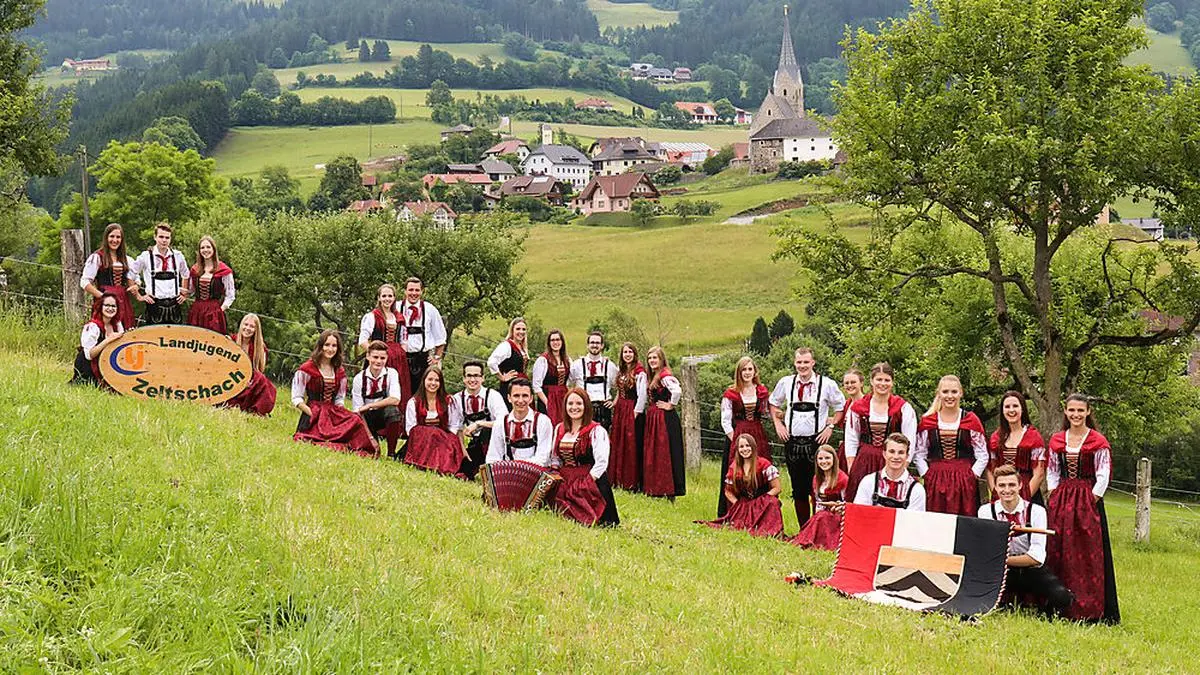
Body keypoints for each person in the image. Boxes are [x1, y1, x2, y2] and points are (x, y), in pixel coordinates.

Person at [1046, 394, 1120, 624]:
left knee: (1088, 554)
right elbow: (1052, 470)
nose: (1076, 415)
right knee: (1059, 550)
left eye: (1080, 410)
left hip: (1088, 501)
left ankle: (1088, 608)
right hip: (1062, 500)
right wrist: (1055, 493)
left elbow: (1103, 473)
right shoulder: (1058, 440)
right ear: (1065, 412)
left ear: (1088, 412)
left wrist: (1091, 499)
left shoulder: (1097, 441)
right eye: (1072, 410)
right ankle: (1057, 604)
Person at [978, 465, 1074, 616]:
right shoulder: (985, 511)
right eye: (1002, 485)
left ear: (1020, 485)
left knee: (1061, 597)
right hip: (999, 571)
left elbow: (1036, 557)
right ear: (994, 487)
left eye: (1011, 485)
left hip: (1030, 570)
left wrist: (1001, 559)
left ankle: (1042, 612)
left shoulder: (1036, 511)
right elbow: (986, 550)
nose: (1007, 490)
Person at [768, 347, 846, 528]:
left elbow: (840, 407)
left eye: (806, 362)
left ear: (813, 363)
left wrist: (831, 426)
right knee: (798, 489)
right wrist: (778, 424)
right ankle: (803, 529)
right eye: (799, 362)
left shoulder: (827, 384)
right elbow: (773, 402)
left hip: (816, 443)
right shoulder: (787, 382)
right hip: (792, 442)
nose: (802, 366)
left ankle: (816, 527)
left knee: (817, 488)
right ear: (795, 363)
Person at [292, 330, 379, 457]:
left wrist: (340, 417)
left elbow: (339, 400)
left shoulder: (340, 371)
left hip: (332, 411)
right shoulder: (307, 368)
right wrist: (312, 413)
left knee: (355, 419)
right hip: (313, 412)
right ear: (320, 346)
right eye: (327, 345)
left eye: (334, 346)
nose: (330, 349)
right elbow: (296, 398)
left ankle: (364, 445)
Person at [912, 375, 989, 516]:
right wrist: (926, 474)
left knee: (964, 522)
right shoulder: (928, 421)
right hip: (936, 479)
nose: (949, 396)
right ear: (939, 393)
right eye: (945, 391)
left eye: (954, 392)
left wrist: (972, 475)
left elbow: (982, 454)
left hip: (964, 481)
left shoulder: (970, 420)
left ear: (961, 393)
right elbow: (919, 453)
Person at [844, 362, 917, 502]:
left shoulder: (903, 408)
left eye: (887, 380)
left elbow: (910, 441)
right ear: (871, 381)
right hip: (864, 461)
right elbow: (851, 439)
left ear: (892, 382)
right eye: (879, 379)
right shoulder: (858, 407)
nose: (882, 384)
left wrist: (900, 469)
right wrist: (852, 469)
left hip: (891, 460)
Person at [550, 388, 621, 527]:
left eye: (579, 403)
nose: (574, 407)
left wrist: (586, 484)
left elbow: (601, 463)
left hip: (589, 479)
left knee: (598, 522)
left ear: (586, 406)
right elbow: (555, 458)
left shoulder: (596, 430)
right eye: (570, 404)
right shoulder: (559, 428)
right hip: (564, 479)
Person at [698, 434, 784, 538]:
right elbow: (728, 491)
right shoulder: (734, 467)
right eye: (741, 447)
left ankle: (769, 529)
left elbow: (777, 488)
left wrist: (762, 500)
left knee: (773, 502)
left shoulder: (763, 464)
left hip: (763, 501)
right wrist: (738, 504)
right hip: (745, 502)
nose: (745, 449)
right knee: (738, 525)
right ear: (737, 449)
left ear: (753, 447)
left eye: (747, 445)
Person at [717, 356, 771, 517]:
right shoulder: (731, 393)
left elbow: (767, 412)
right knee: (738, 472)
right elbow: (725, 421)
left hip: (757, 434)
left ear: (755, 371)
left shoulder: (761, 391)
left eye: (750, 369)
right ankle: (736, 511)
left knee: (759, 470)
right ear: (738, 373)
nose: (747, 373)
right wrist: (735, 440)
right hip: (739, 433)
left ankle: (761, 511)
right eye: (744, 370)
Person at [357, 284, 412, 413]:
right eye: (384, 296)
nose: (387, 299)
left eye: (390, 296)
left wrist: (401, 354)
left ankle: (397, 423)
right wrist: (374, 355)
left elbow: (404, 340)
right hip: (379, 358)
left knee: (398, 390)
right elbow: (362, 340)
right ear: (379, 298)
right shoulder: (372, 316)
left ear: (394, 298)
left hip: (398, 360)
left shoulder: (399, 317)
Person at [403, 366, 466, 476]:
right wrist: (429, 434)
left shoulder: (449, 401)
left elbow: (454, 425)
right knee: (431, 434)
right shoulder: (413, 402)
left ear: (441, 383)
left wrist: (442, 436)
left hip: (444, 439)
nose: (433, 383)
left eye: (437, 380)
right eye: (430, 379)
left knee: (444, 446)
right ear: (424, 381)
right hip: (421, 441)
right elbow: (410, 428)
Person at [987, 390, 1047, 504]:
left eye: (1015, 406)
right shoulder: (995, 437)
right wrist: (997, 493)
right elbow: (990, 470)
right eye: (1007, 407)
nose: (1011, 410)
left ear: (1022, 409)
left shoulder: (1033, 437)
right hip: (1002, 495)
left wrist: (1022, 500)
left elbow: (1039, 474)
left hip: (1028, 493)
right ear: (1002, 410)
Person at [642, 346, 686, 499]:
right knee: (655, 452)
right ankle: (656, 488)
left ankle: (668, 490)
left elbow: (677, 391)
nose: (652, 361)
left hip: (663, 419)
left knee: (665, 453)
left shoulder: (665, 375)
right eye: (650, 358)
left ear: (661, 360)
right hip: (655, 418)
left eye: (655, 358)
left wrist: (671, 404)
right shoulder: (654, 375)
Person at [351, 340, 404, 459]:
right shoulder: (359, 379)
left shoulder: (391, 373)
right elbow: (358, 413)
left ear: (386, 358)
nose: (378, 361)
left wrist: (370, 406)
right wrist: (370, 438)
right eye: (375, 357)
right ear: (368, 356)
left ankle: (391, 453)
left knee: (393, 412)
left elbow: (395, 399)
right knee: (370, 453)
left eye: (382, 358)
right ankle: (373, 441)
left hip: (382, 415)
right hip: (366, 419)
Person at [456, 360, 508, 479]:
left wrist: (479, 423)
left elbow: (504, 422)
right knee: (462, 471)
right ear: (464, 378)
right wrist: (463, 453)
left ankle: (493, 469)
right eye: (469, 376)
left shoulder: (493, 395)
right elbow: (456, 428)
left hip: (496, 443)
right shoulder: (458, 399)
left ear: (483, 378)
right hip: (475, 444)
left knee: (487, 431)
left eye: (476, 376)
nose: (472, 380)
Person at [790, 445, 849, 550]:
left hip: (838, 516)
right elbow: (817, 501)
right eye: (820, 459)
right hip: (822, 514)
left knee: (822, 517)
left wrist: (835, 507)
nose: (824, 461)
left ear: (834, 459)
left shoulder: (843, 479)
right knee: (820, 517)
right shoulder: (817, 478)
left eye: (827, 458)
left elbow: (848, 502)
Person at [80, 223, 138, 330]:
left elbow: (136, 279)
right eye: (112, 236)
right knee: (104, 330)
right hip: (104, 300)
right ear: (106, 238)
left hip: (122, 300)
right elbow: (84, 282)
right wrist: (102, 297)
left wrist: (136, 286)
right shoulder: (97, 257)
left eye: (118, 237)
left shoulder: (127, 259)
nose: (115, 240)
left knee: (125, 331)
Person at [486, 378, 554, 467]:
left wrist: (518, 467)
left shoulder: (543, 421)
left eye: (525, 396)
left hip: (537, 472)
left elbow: (543, 458)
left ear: (531, 398)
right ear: (509, 398)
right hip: (509, 473)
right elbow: (493, 456)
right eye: (516, 396)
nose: (521, 400)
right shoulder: (500, 423)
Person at [131, 222, 189, 325]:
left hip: (174, 305)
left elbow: (186, 274)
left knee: (174, 339)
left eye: (167, 237)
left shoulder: (178, 256)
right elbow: (130, 273)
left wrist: (184, 294)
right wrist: (139, 296)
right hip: (154, 305)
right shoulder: (146, 256)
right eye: (161, 237)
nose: (164, 240)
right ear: (155, 237)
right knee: (153, 339)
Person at [608, 342, 647, 491]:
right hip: (620, 410)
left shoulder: (639, 372)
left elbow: (642, 395)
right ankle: (618, 479)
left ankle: (631, 481)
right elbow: (620, 390)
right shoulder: (622, 370)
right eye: (625, 352)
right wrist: (614, 403)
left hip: (632, 409)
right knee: (619, 443)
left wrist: (635, 413)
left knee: (631, 445)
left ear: (635, 354)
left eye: (630, 352)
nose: (628, 354)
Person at [852, 433, 925, 511]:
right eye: (891, 451)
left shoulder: (917, 489)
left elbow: (915, 521)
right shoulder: (869, 482)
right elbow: (859, 514)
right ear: (884, 454)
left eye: (901, 452)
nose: (896, 457)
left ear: (907, 456)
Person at [400, 277, 447, 397]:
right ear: (405, 291)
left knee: (424, 394)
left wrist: (437, 357)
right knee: (402, 392)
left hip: (423, 358)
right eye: (410, 290)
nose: (414, 293)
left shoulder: (430, 309)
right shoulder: (396, 307)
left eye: (417, 290)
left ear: (422, 291)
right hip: (402, 359)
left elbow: (441, 337)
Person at [224, 313, 277, 416]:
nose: (248, 328)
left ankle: (257, 411)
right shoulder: (231, 341)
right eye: (246, 324)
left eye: (252, 326)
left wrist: (248, 381)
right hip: (230, 377)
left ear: (256, 330)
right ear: (241, 325)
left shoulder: (260, 348)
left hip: (250, 381)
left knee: (262, 380)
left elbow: (260, 369)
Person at [71, 292, 125, 388]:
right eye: (107, 305)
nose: (110, 308)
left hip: (107, 364)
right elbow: (89, 355)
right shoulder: (92, 326)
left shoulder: (117, 324)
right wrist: (108, 340)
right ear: (100, 306)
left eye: (113, 306)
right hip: (88, 366)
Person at [184, 235, 235, 334]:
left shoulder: (224, 270)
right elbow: (191, 291)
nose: (205, 250)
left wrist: (220, 310)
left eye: (208, 247)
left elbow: (230, 295)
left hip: (214, 312)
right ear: (199, 251)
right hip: (196, 311)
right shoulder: (195, 269)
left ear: (213, 249)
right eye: (202, 248)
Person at [569, 331, 617, 429]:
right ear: (588, 345)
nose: (594, 345)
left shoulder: (610, 366)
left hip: (604, 409)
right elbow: (567, 384)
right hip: (584, 408)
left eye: (597, 343)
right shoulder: (577, 365)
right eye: (592, 342)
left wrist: (614, 402)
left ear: (602, 345)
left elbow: (621, 386)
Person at [531, 329, 570, 425]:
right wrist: (547, 402)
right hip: (548, 396)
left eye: (558, 340)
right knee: (548, 424)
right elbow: (536, 386)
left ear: (562, 342)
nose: (555, 342)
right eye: (552, 340)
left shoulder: (567, 359)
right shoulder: (543, 360)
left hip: (562, 396)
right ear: (549, 343)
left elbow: (571, 379)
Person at [487, 317, 530, 404]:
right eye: (518, 329)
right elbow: (491, 362)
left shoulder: (522, 347)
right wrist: (502, 377)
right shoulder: (506, 346)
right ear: (512, 330)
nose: (521, 332)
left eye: (523, 329)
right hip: (510, 388)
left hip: (522, 387)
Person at [834, 369, 866, 473]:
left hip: (862, 451)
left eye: (853, 382)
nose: (849, 385)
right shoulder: (847, 404)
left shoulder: (867, 403)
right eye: (846, 383)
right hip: (846, 450)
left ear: (861, 383)